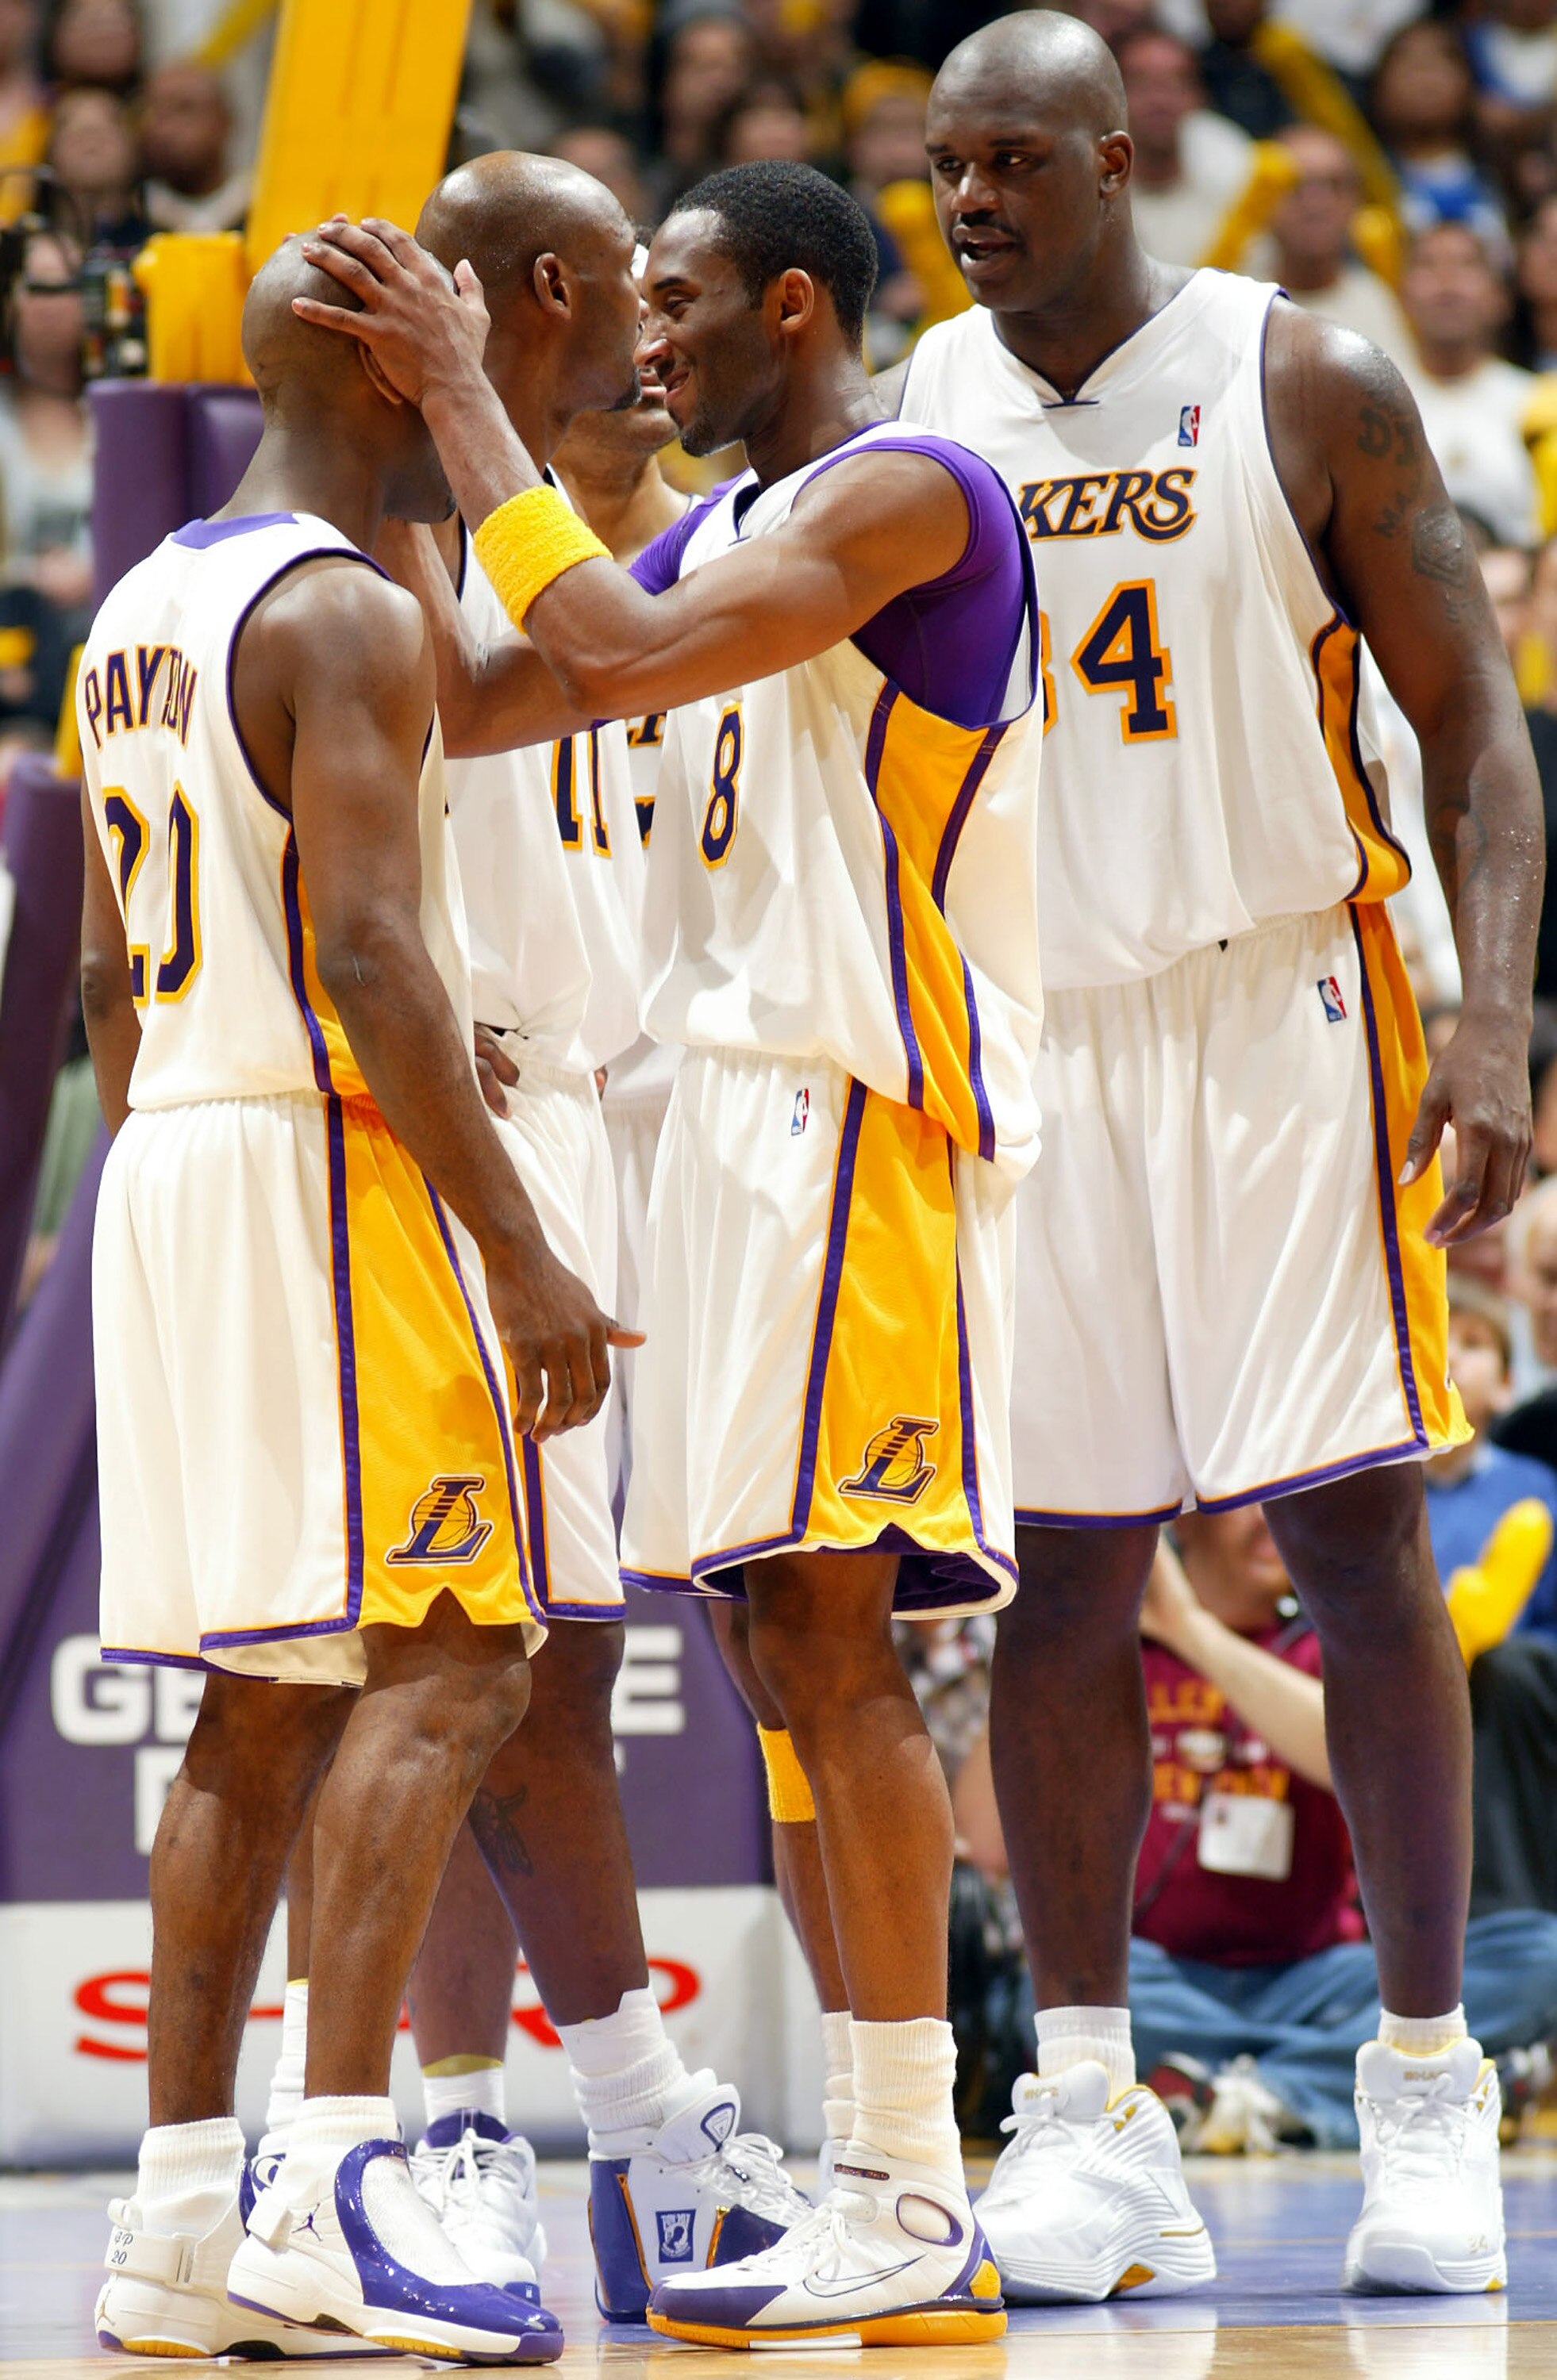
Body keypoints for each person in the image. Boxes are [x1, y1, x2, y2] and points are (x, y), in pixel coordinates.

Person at [297, 153, 1041, 2350]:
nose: (648, 338)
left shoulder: (916, 494)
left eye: (684, 302)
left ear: (791, 308)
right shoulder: (716, 535)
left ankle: (909, 2181)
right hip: (722, 1138)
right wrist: (354, 479)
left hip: (851, 1117)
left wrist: (462, 391)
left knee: (838, 1653)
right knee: (776, 1665)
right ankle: (868, 2176)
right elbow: (502, 691)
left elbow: (599, 642)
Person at [887, 4, 1540, 2305]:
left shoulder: (1305, 375)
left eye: (1008, 166)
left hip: (1284, 1000)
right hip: (1040, 1026)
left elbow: (1479, 733)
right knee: (1060, 1577)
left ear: (1116, 156)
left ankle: (1428, 2086)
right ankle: (1088, 2115)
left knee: (1357, 1532)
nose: (968, 205)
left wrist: (1488, 1021)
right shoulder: (919, 413)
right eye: (939, 169)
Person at [79, 235, 629, 2365]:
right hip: (319, 1166)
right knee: (456, 1655)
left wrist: (178, 1159)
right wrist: (519, 1240)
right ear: (397, 371)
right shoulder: (346, 611)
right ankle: (328, 2183)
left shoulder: (142, 603)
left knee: (257, 1699)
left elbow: (123, 969)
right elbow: (384, 962)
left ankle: (174, 2230)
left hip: (174, 1155)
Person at [357, 160, 805, 2320]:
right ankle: (461, 2119)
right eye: (640, 289)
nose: (662, 326)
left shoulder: (653, 532)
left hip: (634, 1116)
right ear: (557, 292)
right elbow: (475, 709)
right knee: (458, 1653)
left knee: (569, 1660)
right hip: (472, 1107)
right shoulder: (410, 515)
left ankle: (617, 2135)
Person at [1130, 1515, 1557, 2155]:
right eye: (1248, 1498)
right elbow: (989, 1843)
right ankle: (1327, 2084)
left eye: (1286, 1498)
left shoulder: (1335, 1645)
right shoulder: (1115, 1657)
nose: (1274, 1516)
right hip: (1164, 1980)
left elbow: (1351, 1757)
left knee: (1536, 1956)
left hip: (1320, 1981)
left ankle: (1239, 2091)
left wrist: (1191, 1631)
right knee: (1047, 1991)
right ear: (1183, 1523)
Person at [1428, 1275, 1557, 1645]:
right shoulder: (1375, 1491)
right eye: (1435, 1339)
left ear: (1506, 1386)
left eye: (1472, 1343)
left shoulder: (1536, 1489)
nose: (1449, 1356)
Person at [1401, 223, 1542, 552]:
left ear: (1501, 297)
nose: (1446, 280)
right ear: (1403, 296)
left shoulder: (1536, 401)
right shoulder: (1370, 404)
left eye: (1466, 265)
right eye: (1428, 265)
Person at [1262, 125, 1413, 363]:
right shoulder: (1236, 302)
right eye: (1294, 185)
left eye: (1334, 185)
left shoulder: (1383, 302)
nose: (1315, 204)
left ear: (1357, 200)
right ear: (1262, 199)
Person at [1114, 25, 1253, 270]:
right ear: (1114, 97)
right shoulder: (1088, 194)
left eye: (1175, 83)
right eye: (1142, 83)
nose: (1159, 100)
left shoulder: (1234, 165)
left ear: (1198, 96)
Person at [140, 59, 249, 235]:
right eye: (155, 111)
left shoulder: (262, 210)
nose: (165, 128)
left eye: (184, 109)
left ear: (225, 120)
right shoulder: (130, 216)